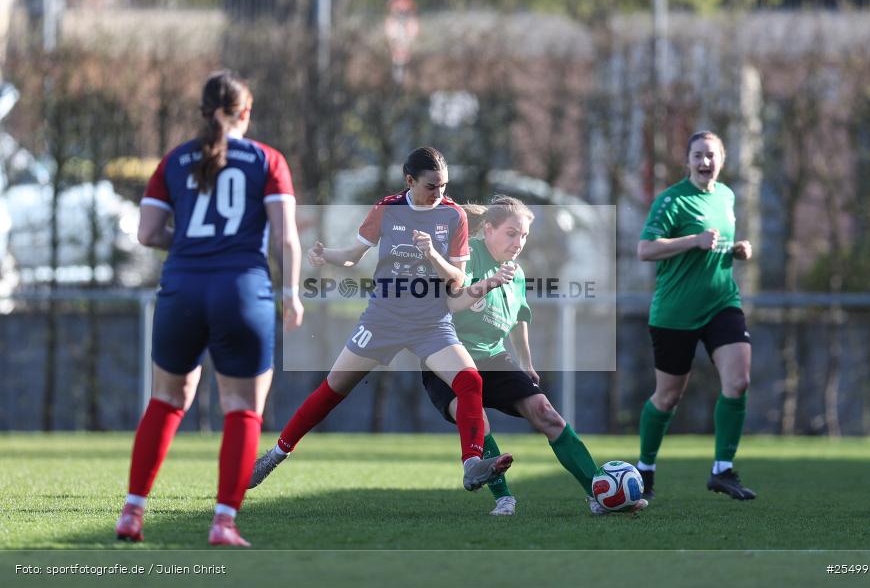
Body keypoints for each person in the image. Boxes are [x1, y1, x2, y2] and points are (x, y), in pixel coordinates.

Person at [249, 146, 513, 492]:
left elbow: (458, 280)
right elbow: (353, 255)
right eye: (431, 186)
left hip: (430, 321)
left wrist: (432, 254)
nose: (440, 193)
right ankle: (276, 454)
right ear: (409, 180)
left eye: (444, 186)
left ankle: (472, 464)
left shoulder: (453, 217)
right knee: (333, 390)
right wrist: (325, 254)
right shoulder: (387, 209)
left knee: (470, 382)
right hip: (383, 319)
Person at [114, 70, 304, 547]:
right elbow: (285, 237)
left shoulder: (174, 160)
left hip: (182, 288)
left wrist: (193, 241)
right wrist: (292, 293)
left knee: (166, 400)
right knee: (241, 408)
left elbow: (147, 234)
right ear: (246, 111)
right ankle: (223, 522)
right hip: (241, 289)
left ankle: (133, 513)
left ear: (202, 111)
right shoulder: (267, 159)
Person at [422, 195, 648, 516]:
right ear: (488, 229)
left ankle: (600, 494)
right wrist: (486, 283)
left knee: (546, 412)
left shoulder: (516, 272)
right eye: (511, 233)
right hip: (446, 357)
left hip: (493, 358)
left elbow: (519, 318)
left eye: (524, 235)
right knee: (476, 419)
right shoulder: (466, 256)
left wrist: (525, 361)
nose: (519, 241)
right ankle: (504, 499)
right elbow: (451, 300)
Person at [636, 130, 755, 501]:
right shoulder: (671, 201)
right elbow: (644, 250)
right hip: (675, 311)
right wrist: (692, 240)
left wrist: (735, 250)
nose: (705, 162)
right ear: (687, 161)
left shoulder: (726, 196)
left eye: (711, 155)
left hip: (722, 302)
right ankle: (646, 469)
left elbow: (714, 243)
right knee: (668, 397)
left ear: (722, 159)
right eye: (698, 155)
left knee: (738, 381)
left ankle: (723, 469)